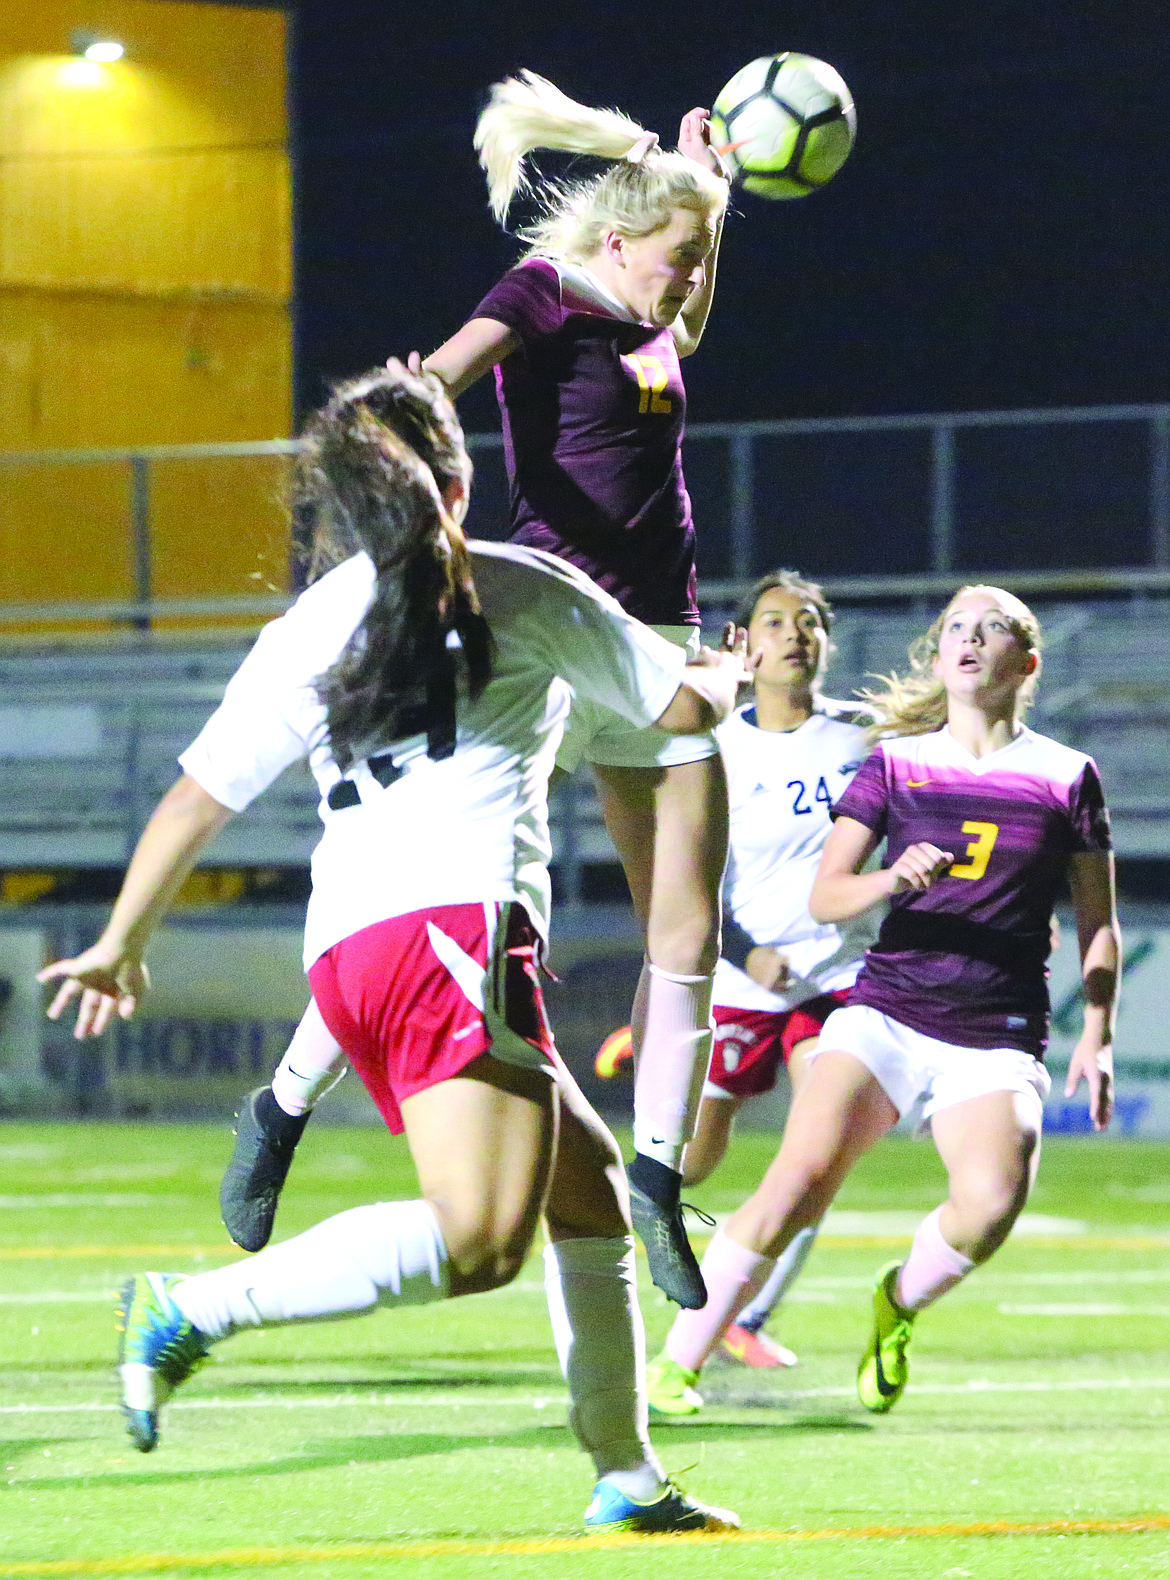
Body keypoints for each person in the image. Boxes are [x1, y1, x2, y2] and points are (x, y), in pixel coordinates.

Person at [38, 363, 744, 1535]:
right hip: (455, 931)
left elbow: (191, 802)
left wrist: (123, 938)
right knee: (477, 1239)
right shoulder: (516, 582)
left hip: (350, 951)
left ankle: (626, 1473)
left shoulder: (307, 623)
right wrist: (721, 671)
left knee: (589, 1189)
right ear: (457, 477)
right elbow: (676, 713)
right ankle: (189, 1306)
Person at [645, 584, 1120, 1416]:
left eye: (992, 627)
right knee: (797, 1179)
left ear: (1027, 662)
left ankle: (896, 1301)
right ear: (940, 657)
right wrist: (890, 878)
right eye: (956, 628)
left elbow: (1099, 924)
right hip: (886, 1012)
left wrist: (1101, 1033)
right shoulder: (897, 762)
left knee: (989, 1208)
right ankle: (675, 1366)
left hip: (995, 1032)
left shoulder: (1066, 775)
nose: (970, 638)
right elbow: (827, 896)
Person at [597, 571, 877, 1399]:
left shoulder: (863, 740)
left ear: (826, 642)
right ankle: (597, 1243)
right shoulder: (720, 742)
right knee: (693, 1158)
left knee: (815, 1156)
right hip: (743, 982)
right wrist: (747, 948)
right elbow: (689, 864)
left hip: (840, 980)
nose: (794, 633)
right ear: (744, 647)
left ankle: (740, 1320)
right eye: (775, 621)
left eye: (809, 621)